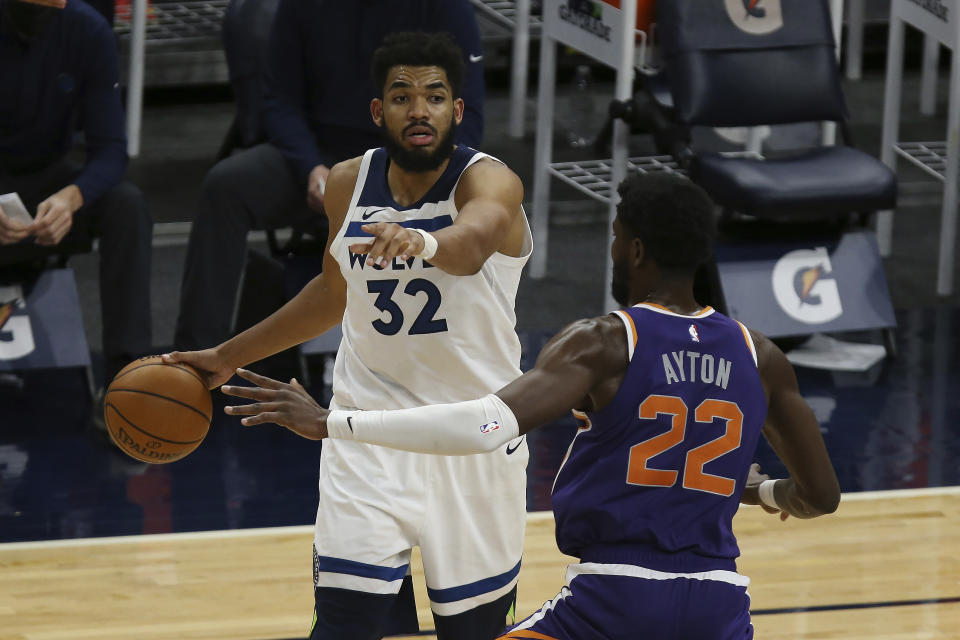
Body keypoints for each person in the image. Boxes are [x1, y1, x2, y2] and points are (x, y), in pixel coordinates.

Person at [223, 172, 842, 639]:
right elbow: (820, 497)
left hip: (612, 601)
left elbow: (482, 424)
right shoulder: (760, 356)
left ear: (633, 251)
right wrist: (760, 491)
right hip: (721, 608)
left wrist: (331, 421)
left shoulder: (604, 342)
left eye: (617, 236)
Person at [165, 31, 532, 640]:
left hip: (472, 439)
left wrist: (423, 241)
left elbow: (469, 247)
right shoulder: (347, 183)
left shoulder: (490, 182)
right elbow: (335, 295)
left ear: (457, 111)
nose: (419, 110)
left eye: (436, 97)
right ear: (377, 111)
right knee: (343, 627)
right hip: (368, 435)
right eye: (402, 96)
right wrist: (228, 357)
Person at [173, 0, 486, 351]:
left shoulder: (446, 7)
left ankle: (463, 352)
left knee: (482, 193)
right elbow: (280, 100)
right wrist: (310, 167)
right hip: (321, 153)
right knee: (227, 186)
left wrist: (419, 172)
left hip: (412, 156)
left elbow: (468, 113)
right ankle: (194, 365)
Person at [0, 0, 152, 383]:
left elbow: (111, 148)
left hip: (48, 180)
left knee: (127, 205)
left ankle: (127, 377)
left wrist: (73, 196)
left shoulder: (87, 30)